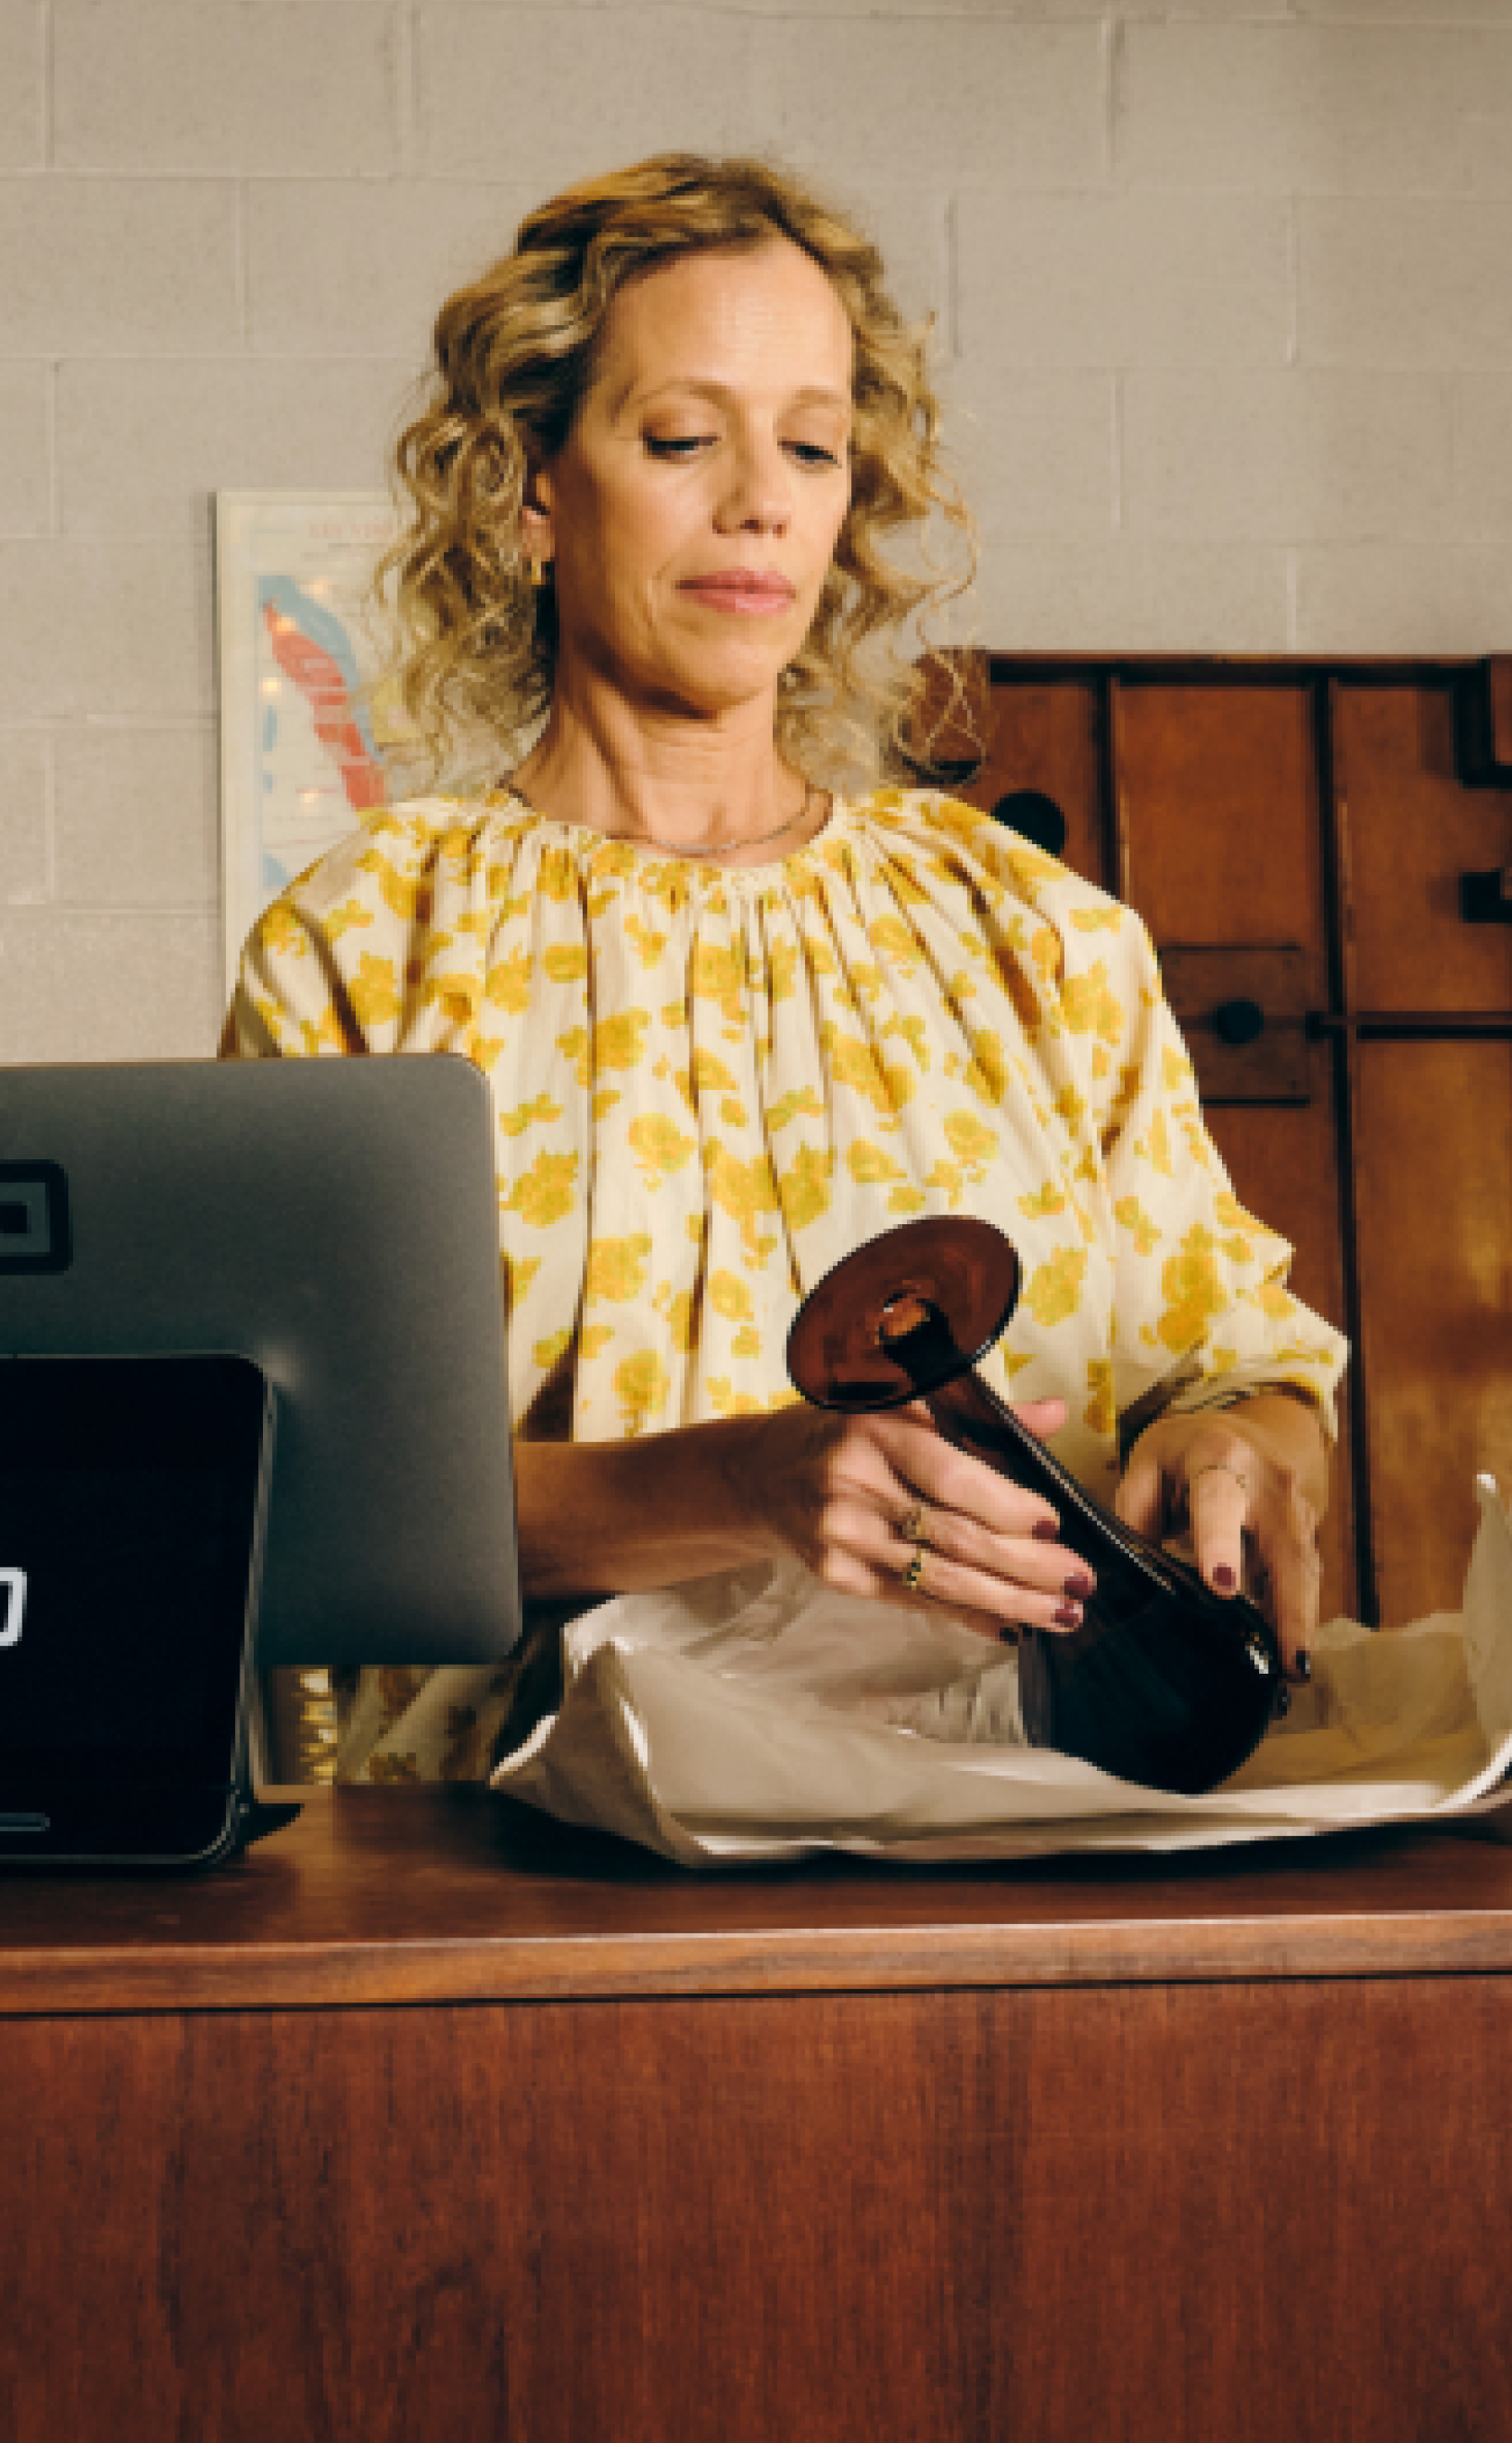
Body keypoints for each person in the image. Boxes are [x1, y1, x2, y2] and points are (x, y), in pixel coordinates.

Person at [223, 153, 1344, 1787]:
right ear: (534, 486)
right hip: (525, 1893)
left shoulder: (1038, 936)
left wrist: (1231, 1442)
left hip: (1038, 1852)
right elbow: (296, 1494)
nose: (760, 498)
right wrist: (735, 1484)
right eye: (683, 438)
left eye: (811, 446)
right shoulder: (369, 944)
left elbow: (1250, 1363)